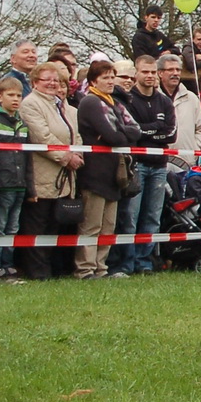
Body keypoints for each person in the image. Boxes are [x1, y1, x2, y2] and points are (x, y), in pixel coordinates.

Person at [74, 59, 142, 279]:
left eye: (113, 77)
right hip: (95, 172)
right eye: (105, 77)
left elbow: (135, 129)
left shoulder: (115, 102)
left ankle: (101, 266)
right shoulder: (91, 102)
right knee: (91, 223)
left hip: (116, 173)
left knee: (108, 225)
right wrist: (119, 135)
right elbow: (112, 135)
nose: (110, 81)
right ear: (94, 80)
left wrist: (119, 134)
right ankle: (86, 268)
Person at [17, 61, 82, 281]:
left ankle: (52, 268)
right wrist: (66, 157)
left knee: (54, 225)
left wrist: (79, 154)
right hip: (42, 173)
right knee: (37, 224)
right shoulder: (30, 104)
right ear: (35, 82)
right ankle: (36, 270)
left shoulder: (61, 105)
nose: (53, 84)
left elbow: (75, 134)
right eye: (47, 80)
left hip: (63, 177)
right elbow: (41, 137)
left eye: (56, 80)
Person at [119, 55, 176, 275]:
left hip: (160, 166)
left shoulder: (164, 101)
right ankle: (128, 262)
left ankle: (144, 261)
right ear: (136, 73)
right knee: (131, 217)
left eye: (153, 72)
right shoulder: (128, 100)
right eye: (145, 72)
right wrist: (155, 128)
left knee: (152, 217)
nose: (150, 76)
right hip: (137, 166)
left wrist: (146, 131)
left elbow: (170, 132)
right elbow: (131, 132)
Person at [0, 77, 33, 281]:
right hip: (1, 184)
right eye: (11, 95)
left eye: (19, 95)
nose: (16, 99)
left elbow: (28, 158)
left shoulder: (22, 123)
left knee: (12, 227)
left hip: (19, 185)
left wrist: (30, 188)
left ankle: (8, 264)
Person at [159, 53, 201, 173]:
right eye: (170, 69)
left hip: (186, 162)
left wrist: (194, 151)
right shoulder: (153, 98)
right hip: (158, 162)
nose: (175, 73)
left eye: (178, 70)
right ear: (160, 73)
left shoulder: (192, 98)